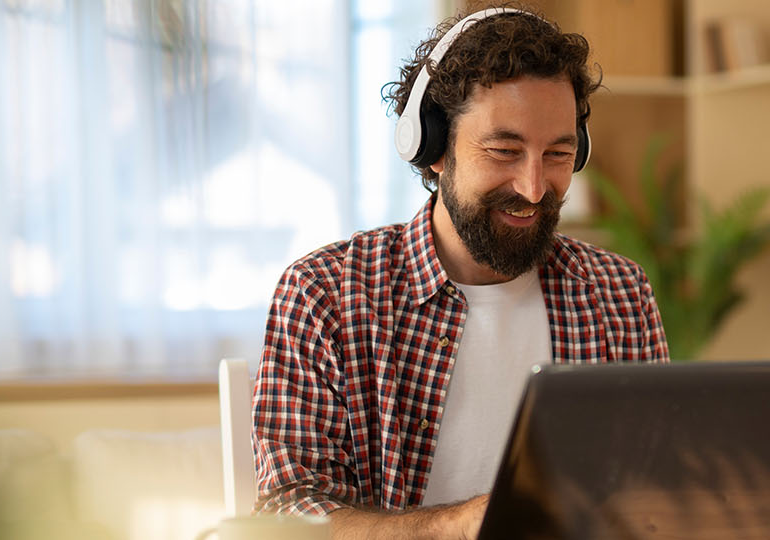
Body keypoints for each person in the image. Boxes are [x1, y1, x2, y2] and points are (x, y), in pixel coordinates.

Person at [252, 6, 669, 538]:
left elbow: (656, 487)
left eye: (559, 152)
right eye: (504, 150)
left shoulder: (618, 293)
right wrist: (467, 524)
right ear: (433, 148)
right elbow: (289, 516)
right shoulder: (326, 294)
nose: (534, 187)